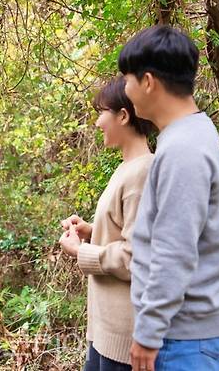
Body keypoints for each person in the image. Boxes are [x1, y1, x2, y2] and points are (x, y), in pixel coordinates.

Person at [119, 25, 219, 371]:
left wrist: (148, 332)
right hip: (190, 331)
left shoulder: (183, 149)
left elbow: (174, 250)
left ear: (148, 82)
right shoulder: (193, 132)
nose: (126, 90)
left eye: (127, 79)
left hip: (183, 337)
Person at [59, 76, 154, 371]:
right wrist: (91, 231)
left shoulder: (143, 172)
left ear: (123, 116)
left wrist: (80, 252)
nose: (98, 122)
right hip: (105, 331)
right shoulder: (126, 168)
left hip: (125, 339)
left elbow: (137, 257)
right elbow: (123, 232)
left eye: (101, 113)